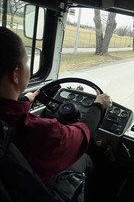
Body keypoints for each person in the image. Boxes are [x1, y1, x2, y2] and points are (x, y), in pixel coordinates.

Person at [0, 27, 112, 200]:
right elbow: (81, 135)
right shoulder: (39, 132)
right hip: (40, 190)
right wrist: (98, 106)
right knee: (87, 159)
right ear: (15, 74)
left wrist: (25, 99)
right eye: (27, 62)